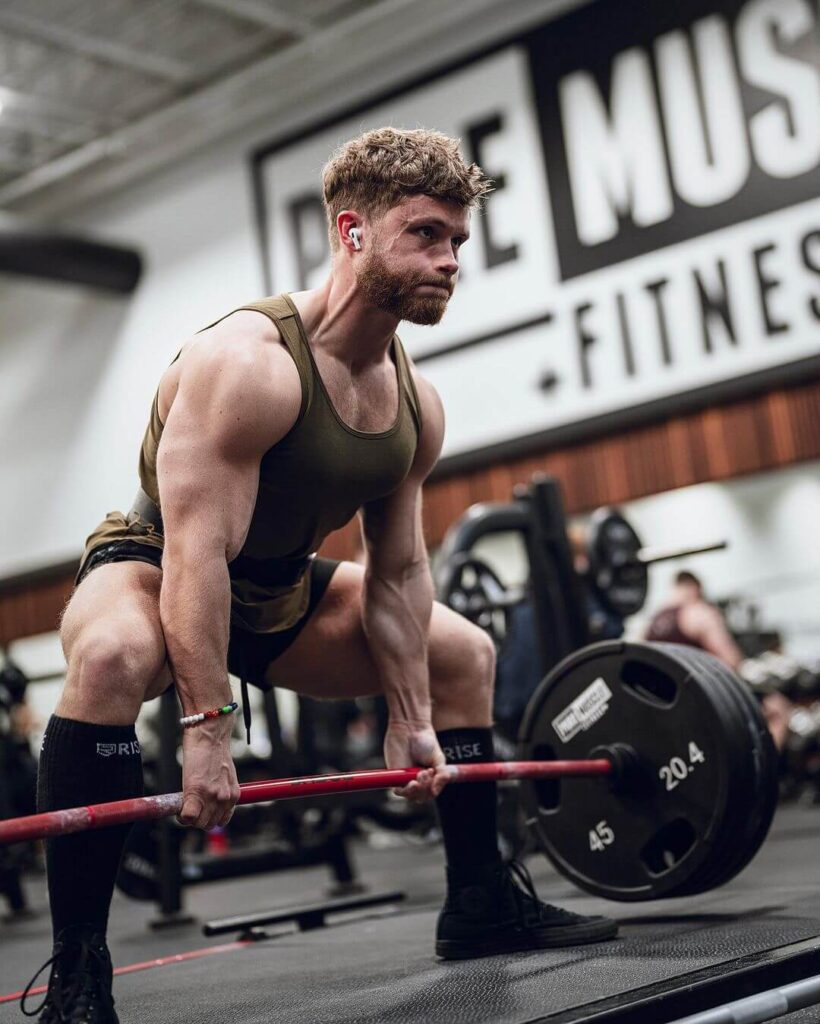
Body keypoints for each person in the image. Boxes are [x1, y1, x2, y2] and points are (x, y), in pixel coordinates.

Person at [24, 128, 616, 1023]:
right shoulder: (247, 365)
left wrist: (411, 719)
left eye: (458, 239)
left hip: (280, 584)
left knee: (463, 653)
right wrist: (206, 732)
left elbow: (399, 568)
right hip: (156, 563)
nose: (451, 260)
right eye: (425, 234)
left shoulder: (416, 403)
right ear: (352, 232)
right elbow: (195, 557)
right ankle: (77, 971)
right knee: (109, 658)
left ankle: (480, 901)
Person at [643, 571, 791, 749]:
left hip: (668, 712)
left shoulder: (651, 624)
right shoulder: (697, 611)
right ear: (696, 589)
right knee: (778, 708)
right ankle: (764, 771)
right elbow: (732, 662)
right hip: (705, 705)